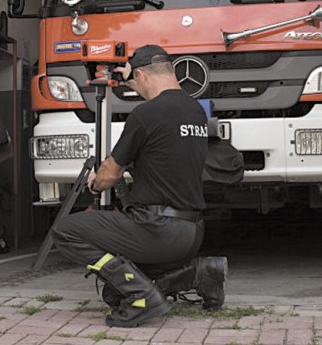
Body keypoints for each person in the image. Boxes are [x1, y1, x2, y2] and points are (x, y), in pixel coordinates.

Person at [51, 45, 226, 328]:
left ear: (143, 75)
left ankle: (142, 296)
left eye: (136, 83)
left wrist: (95, 184)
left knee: (66, 230)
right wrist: (128, 74)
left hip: (156, 231)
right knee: (112, 292)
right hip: (190, 233)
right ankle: (199, 272)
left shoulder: (147, 114)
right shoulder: (194, 111)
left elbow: (109, 174)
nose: (137, 90)